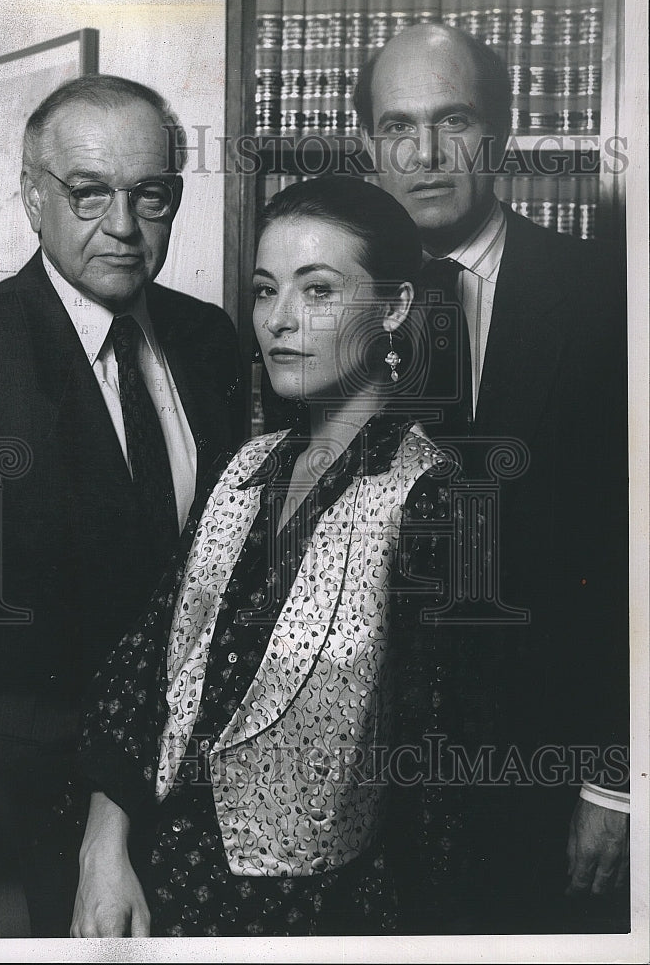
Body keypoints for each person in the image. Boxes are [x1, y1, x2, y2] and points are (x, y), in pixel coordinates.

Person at [71, 175, 489, 938]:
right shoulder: (239, 468)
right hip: (152, 889)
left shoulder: (432, 498)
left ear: (393, 307)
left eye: (318, 290)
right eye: (265, 291)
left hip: (313, 917)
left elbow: (438, 786)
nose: (280, 321)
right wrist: (104, 848)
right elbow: (142, 670)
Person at [0, 74, 244, 937]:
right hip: (33, 789)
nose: (124, 228)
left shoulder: (210, 340)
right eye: (89, 192)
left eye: (151, 195)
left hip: (208, 776)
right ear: (32, 196)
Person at [353, 22, 629, 932]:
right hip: (369, 793)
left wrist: (617, 779)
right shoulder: (319, 304)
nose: (425, 154)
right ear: (367, 148)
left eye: (454, 121)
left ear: (502, 135)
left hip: (549, 781)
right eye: (398, 126)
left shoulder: (608, 298)